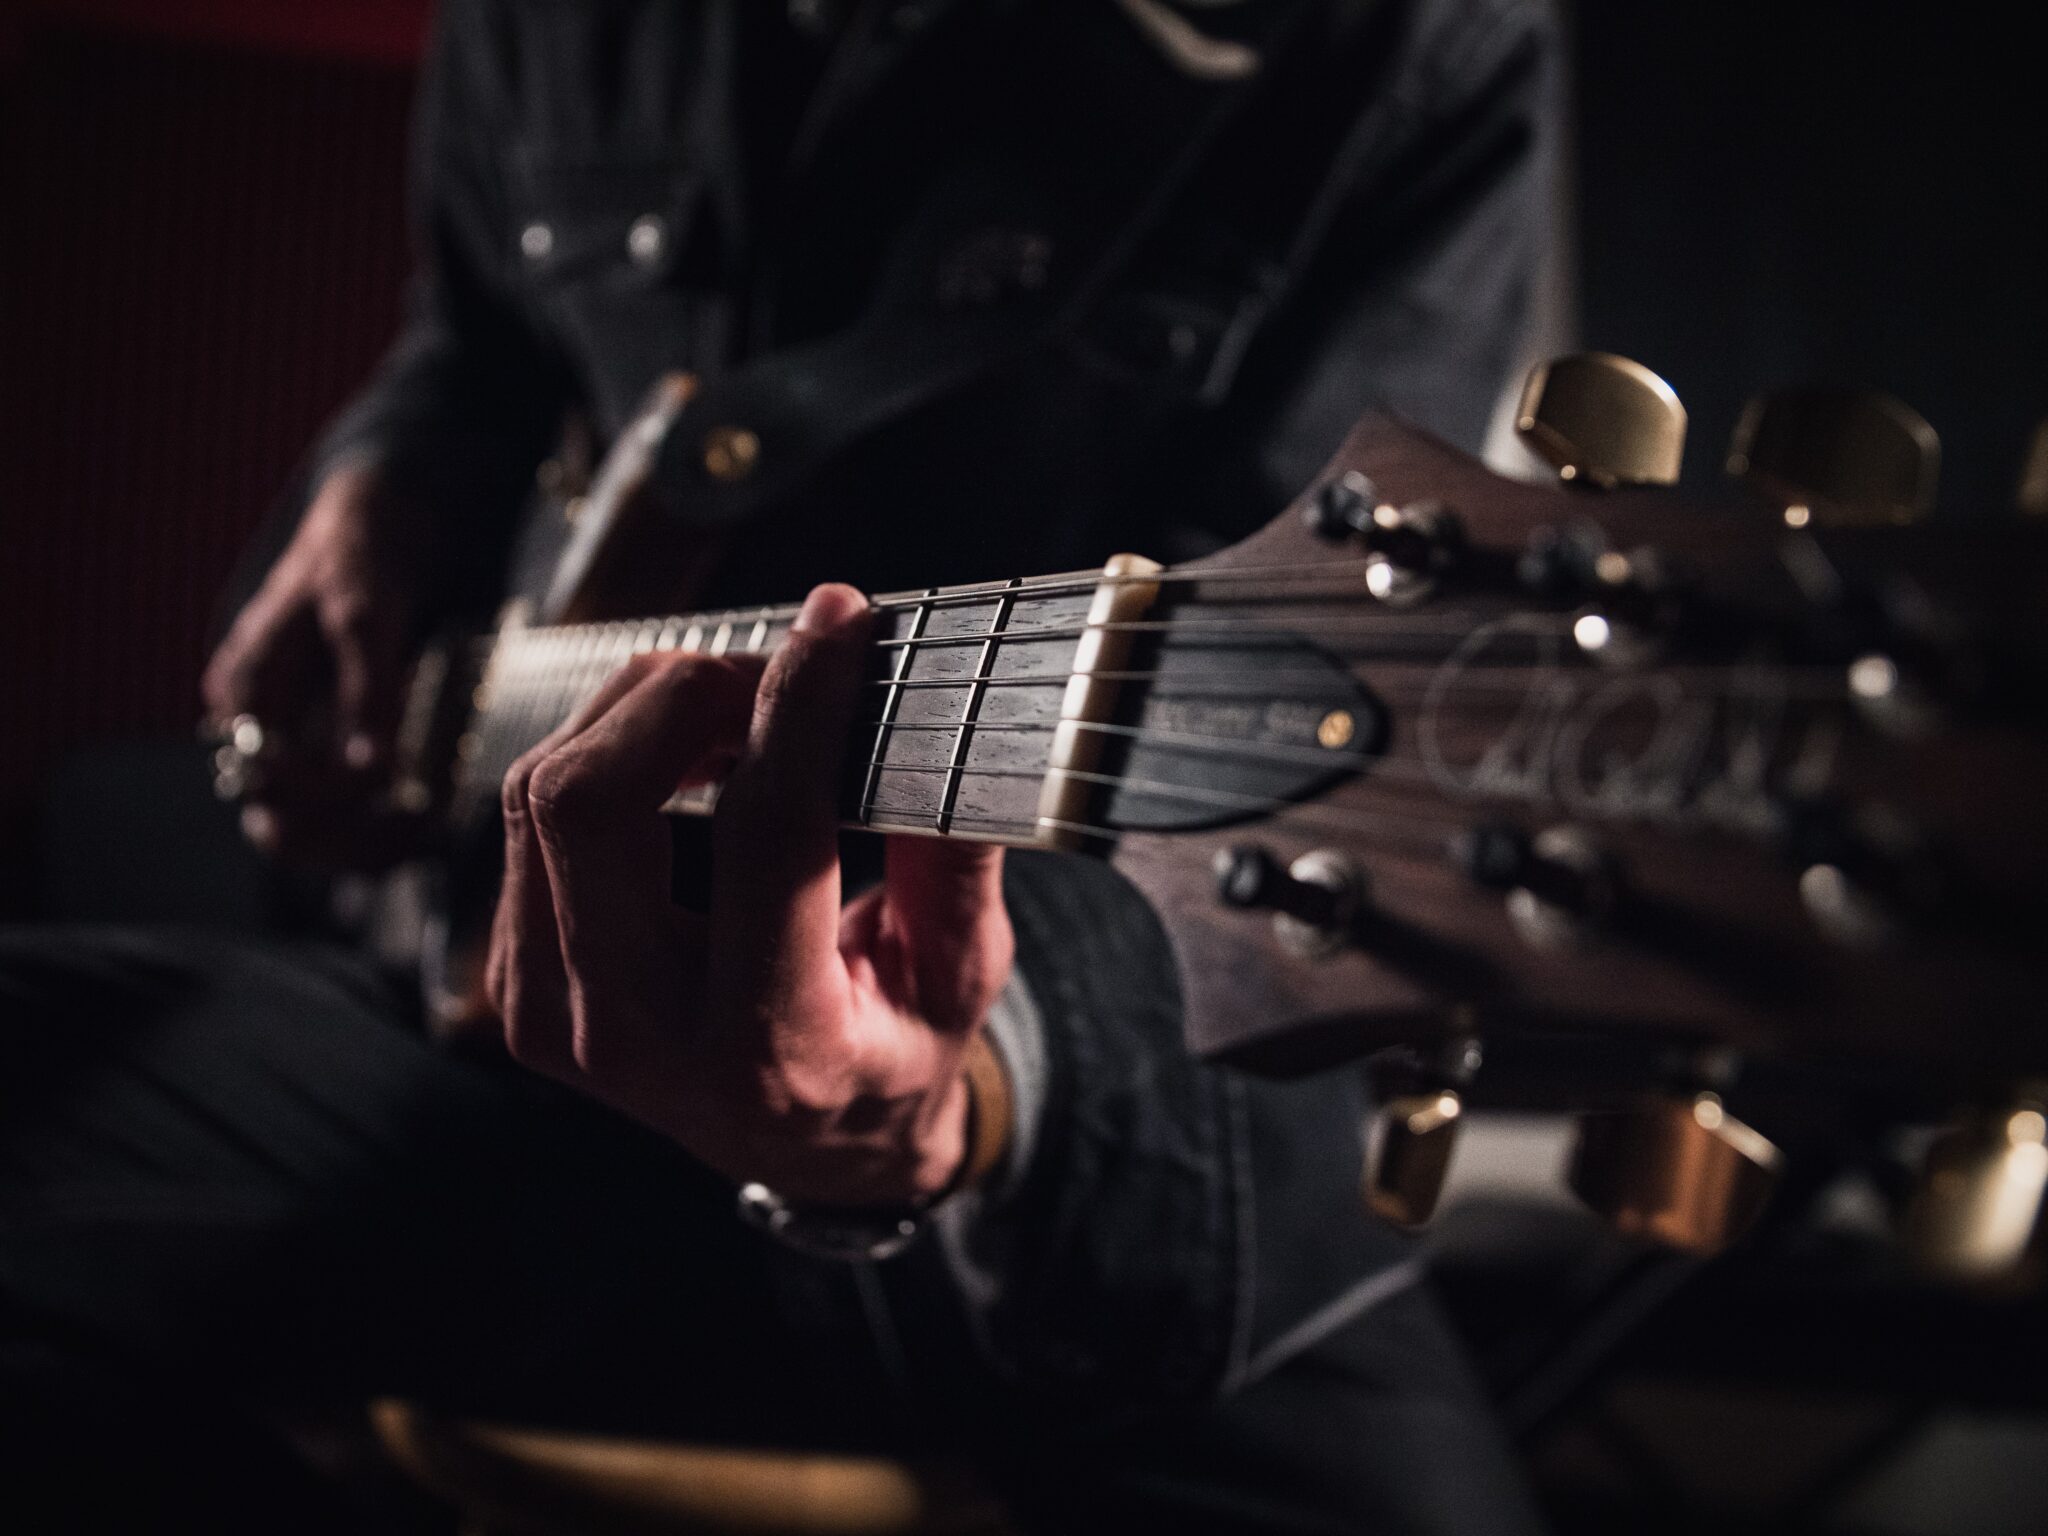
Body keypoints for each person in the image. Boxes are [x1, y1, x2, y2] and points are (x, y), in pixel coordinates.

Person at [1, 1, 1556, 1529]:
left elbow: (1284, 735)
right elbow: (476, 342)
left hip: (1087, 1131)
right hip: (510, 1044)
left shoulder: (1417, 38)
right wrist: (378, 484)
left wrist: (975, 1081)